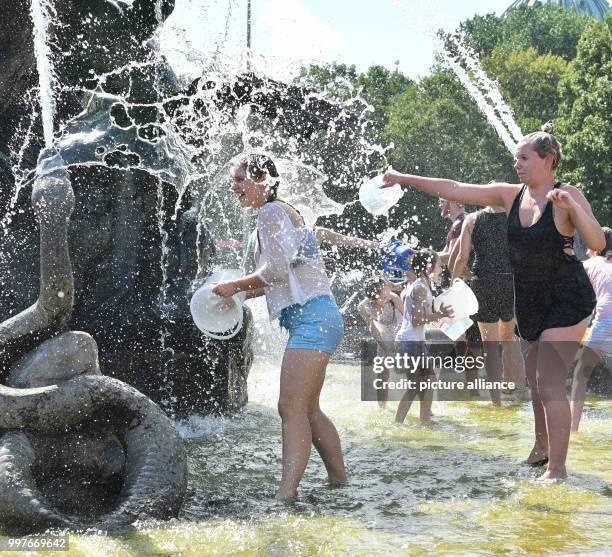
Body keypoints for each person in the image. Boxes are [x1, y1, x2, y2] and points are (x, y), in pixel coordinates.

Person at [382, 123, 605, 481]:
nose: (517, 164)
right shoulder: (508, 195)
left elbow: (596, 240)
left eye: (525, 158)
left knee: (547, 379)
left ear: (548, 161)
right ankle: (541, 448)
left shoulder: (567, 193)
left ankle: (558, 470)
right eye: (516, 157)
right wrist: (401, 177)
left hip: (567, 298)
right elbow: (454, 188)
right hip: (529, 301)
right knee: (535, 379)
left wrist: (572, 209)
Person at [212, 153, 374, 501]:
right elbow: (278, 279)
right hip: (318, 317)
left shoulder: (271, 212)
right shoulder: (280, 212)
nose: (234, 187)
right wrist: (238, 297)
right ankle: (339, 481)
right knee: (309, 409)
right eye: (233, 180)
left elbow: (274, 272)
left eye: (240, 179)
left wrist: (232, 286)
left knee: (290, 406)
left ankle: (286, 495)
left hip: (313, 319)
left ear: (263, 180)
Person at [452, 206, 527, 405]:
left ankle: (496, 401)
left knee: (490, 345)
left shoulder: (472, 219)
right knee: (510, 339)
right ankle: (520, 392)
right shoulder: (515, 217)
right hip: (509, 282)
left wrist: (454, 280)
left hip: (483, 282)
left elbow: (462, 257)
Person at [394, 249, 454, 423]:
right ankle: (398, 423)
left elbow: (422, 317)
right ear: (429, 266)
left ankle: (425, 419)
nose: (441, 270)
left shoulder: (424, 285)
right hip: (409, 342)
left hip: (415, 341)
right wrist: (439, 315)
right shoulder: (419, 287)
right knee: (414, 386)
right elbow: (417, 320)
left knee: (428, 379)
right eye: (438, 266)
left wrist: (440, 316)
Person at [570, 227, 612, 431]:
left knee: (580, 373)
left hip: (606, 323)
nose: (587, 250)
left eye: (589, 245)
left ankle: (573, 427)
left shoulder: (590, 264)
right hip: (605, 321)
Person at [358, 277, 404, 408]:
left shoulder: (394, 298)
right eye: (383, 298)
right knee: (382, 373)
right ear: (373, 298)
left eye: (388, 294)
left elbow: (407, 320)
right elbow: (374, 330)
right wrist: (387, 349)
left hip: (399, 327)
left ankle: (422, 402)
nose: (387, 298)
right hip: (383, 333)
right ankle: (382, 407)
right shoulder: (363, 307)